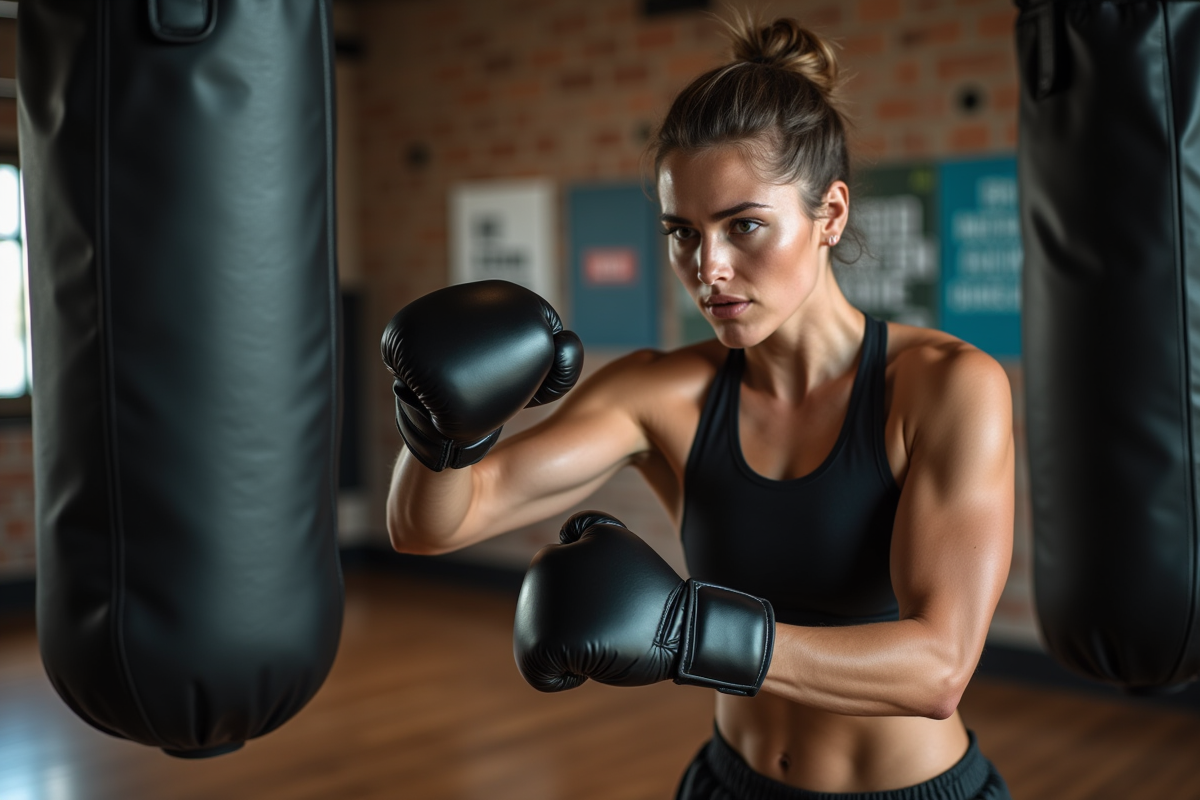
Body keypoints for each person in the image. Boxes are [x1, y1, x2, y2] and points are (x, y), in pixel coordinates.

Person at [385, 12, 1014, 799]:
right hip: (725, 781)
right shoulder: (661, 394)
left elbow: (939, 669)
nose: (709, 267)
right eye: (682, 233)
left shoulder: (944, 387)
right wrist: (441, 430)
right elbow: (429, 525)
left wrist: (687, 632)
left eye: (744, 225)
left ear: (831, 215)